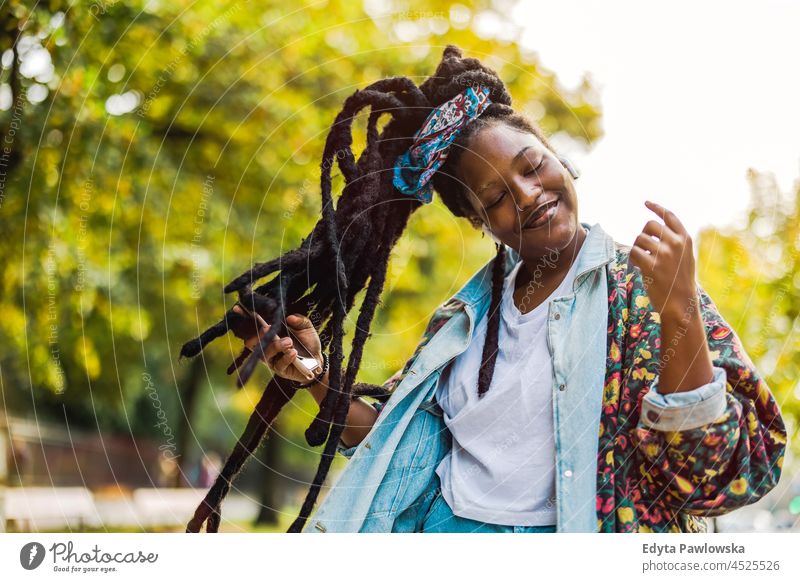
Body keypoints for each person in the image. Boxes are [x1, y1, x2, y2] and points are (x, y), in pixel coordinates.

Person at [199, 45, 786, 533]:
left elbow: (726, 475)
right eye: (497, 199)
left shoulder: (642, 291)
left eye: (532, 166)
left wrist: (679, 310)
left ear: (559, 156)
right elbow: (402, 449)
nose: (527, 196)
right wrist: (314, 378)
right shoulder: (463, 318)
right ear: (479, 225)